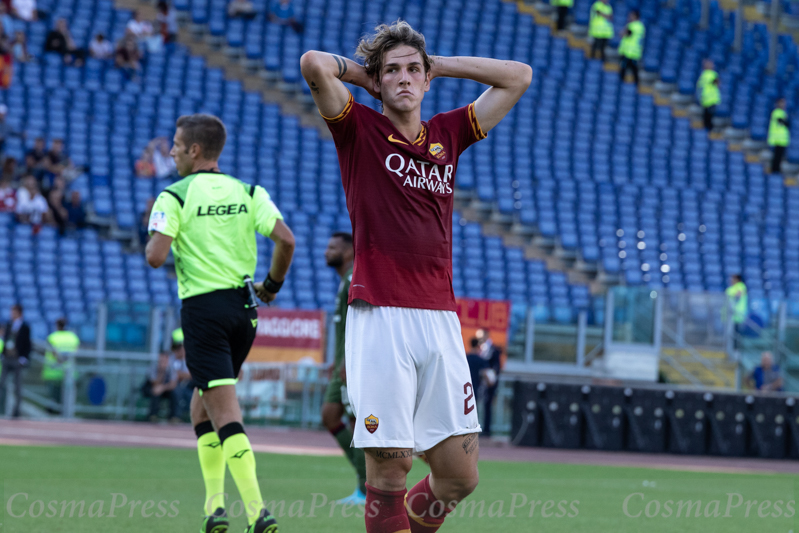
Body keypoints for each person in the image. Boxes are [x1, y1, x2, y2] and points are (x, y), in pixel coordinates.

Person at [300, 20, 531, 532]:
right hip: (381, 315)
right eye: (392, 72)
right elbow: (314, 63)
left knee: (459, 477)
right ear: (377, 82)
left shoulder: (448, 134)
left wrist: (438, 65)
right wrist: (366, 78)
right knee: (390, 469)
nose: (403, 79)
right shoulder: (358, 128)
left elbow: (518, 76)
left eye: (412, 70)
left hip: (440, 320)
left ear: (426, 80)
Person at [145, 113, 295, 533]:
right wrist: (272, 285)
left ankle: (257, 513)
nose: (171, 150)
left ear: (194, 150)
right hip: (244, 311)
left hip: (203, 311)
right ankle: (214, 511)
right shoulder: (249, 192)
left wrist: (156, 233)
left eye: (175, 143)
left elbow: (156, 256)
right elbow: (286, 239)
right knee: (203, 404)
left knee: (225, 412)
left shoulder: (174, 195)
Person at [320, 231, 367, 505]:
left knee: (357, 423)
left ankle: (366, 488)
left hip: (352, 366)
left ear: (349, 251)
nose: (327, 252)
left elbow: (359, 327)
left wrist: (348, 363)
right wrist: (336, 361)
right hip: (342, 365)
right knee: (330, 415)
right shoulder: (343, 281)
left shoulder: (353, 280)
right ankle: (367, 474)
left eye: (332, 247)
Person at [1, 304, 31, 418]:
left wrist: (24, 358)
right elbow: (6, 340)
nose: (11, 314)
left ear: (19, 313)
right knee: (1, 383)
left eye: (13, 312)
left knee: (17, 387)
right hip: (7, 358)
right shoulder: (8, 325)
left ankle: (16, 412)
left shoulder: (25, 327)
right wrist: (3, 354)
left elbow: (27, 344)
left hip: (17, 359)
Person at [43, 318, 80, 408]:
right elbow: (76, 352)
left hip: (53, 371)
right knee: (66, 396)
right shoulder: (73, 338)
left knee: (53, 396)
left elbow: (53, 352)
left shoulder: (52, 337)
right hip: (69, 371)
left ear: (57, 326)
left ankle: (53, 411)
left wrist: (60, 360)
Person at [476, 329, 501, 437]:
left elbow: (496, 366)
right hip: (480, 382)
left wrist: (491, 379)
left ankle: (486, 430)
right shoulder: (480, 349)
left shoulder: (493, 350)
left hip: (489, 384)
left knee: (487, 405)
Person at [144, 351, 179, 422]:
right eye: (162, 359)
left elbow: (173, 384)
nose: (163, 361)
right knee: (155, 392)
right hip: (151, 388)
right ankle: (153, 415)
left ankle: (173, 417)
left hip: (164, 389)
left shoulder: (171, 369)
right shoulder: (153, 367)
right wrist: (161, 371)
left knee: (175, 393)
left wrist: (163, 388)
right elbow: (154, 383)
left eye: (165, 359)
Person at [170, 328, 194, 419]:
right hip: (175, 385)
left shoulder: (188, 359)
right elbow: (174, 374)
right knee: (176, 392)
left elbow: (191, 375)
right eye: (178, 348)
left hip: (188, 386)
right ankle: (175, 416)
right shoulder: (173, 359)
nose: (181, 350)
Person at [618, 10, 644, 87]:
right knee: (633, 69)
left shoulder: (633, 25)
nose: (629, 17)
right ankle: (636, 84)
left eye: (631, 15)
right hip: (634, 52)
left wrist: (622, 32)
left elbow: (625, 33)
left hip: (629, 52)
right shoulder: (641, 26)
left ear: (635, 16)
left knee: (624, 68)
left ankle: (621, 84)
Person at [768, 97, 790, 175]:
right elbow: (782, 122)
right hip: (777, 139)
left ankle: (777, 170)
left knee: (779, 157)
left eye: (784, 102)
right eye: (782, 102)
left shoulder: (783, 113)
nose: (783, 104)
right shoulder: (777, 112)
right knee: (776, 157)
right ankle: (775, 170)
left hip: (782, 140)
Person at [697, 59, 720, 131]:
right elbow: (717, 84)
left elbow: (699, 86)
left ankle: (706, 130)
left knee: (706, 116)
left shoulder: (703, 75)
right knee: (710, 117)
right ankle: (710, 130)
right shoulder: (713, 74)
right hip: (712, 99)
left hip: (705, 98)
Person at [465, 338, 488, 404]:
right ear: (478, 346)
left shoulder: (466, 357)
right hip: (475, 386)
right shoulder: (480, 360)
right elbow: (485, 373)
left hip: (464, 386)